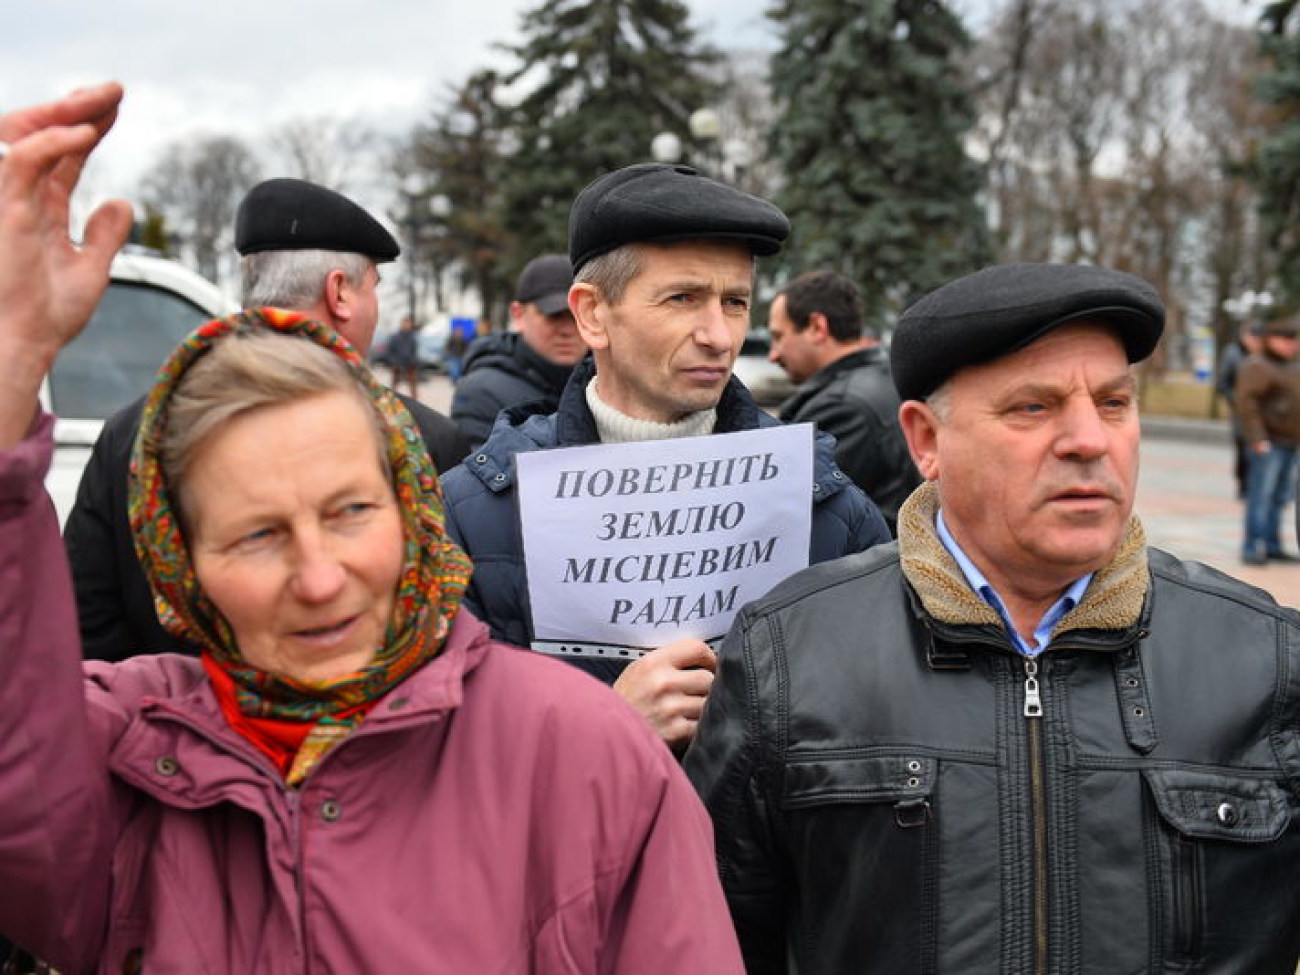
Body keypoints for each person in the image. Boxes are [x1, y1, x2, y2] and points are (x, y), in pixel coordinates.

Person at [0, 94, 746, 968]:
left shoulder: (583, 754)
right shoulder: (131, 755)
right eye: (256, 536)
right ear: (183, 567)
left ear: (413, 512)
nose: (320, 578)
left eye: (350, 511)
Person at [686, 262, 1300, 974]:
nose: (1088, 441)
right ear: (926, 442)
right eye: (1032, 408)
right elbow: (713, 939)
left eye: (1112, 403)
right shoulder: (788, 654)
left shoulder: (1266, 656)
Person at [441, 164, 890, 750]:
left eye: (735, 302)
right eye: (683, 298)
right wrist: (605, 728)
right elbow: (449, 753)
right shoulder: (476, 517)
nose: (720, 335)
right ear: (592, 313)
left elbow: (880, 729)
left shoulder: (826, 506)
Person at [63, 177, 472, 661]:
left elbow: (85, 627)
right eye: (374, 289)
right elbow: (449, 624)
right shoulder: (423, 436)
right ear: (339, 292)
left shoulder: (134, 430)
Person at [768, 269, 920, 531]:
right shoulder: (887, 378)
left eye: (779, 337)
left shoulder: (843, 408)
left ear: (817, 327)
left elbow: (792, 519)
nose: (773, 354)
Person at [450, 253, 586, 449]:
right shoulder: (482, 392)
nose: (568, 330)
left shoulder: (608, 380)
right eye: (555, 315)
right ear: (518, 314)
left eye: (578, 315)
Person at [1235, 313, 1300, 565]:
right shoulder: (1257, 365)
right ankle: (1252, 546)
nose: (1290, 344)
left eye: (1293, 339)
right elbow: (1247, 404)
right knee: (1260, 495)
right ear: (1270, 339)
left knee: (1279, 498)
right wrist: (1257, 437)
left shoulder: (1291, 366)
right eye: (1284, 339)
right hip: (1268, 443)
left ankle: (1273, 545)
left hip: (1289, 442)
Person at [1215, 318, 1263, 498]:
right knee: (1243, 448)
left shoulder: (1263, 356)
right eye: (1253, 337)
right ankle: (1244, 484)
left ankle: (1256, 485)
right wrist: (1236, 400)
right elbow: (1223, 383)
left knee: (1258, 447)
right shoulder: (1232, 354)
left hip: (1261, 411)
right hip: (1240, 411)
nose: (1255, 342)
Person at [387, 313, 421, 399]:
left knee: (412, 382)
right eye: (405, 323)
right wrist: (393, 361)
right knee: (395, 382)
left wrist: (414, 360)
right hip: (397, 362)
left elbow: (414, 350)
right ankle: (391, 398)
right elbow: (390, 349)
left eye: (408, 323)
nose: (407, 325)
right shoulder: (395, 336)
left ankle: (414, 399)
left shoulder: (413, 337)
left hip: (410, 362)